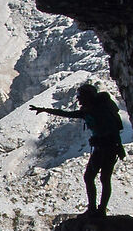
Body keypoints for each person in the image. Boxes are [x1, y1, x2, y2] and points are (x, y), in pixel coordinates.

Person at [35, 82, 127, 214]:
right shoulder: (89, 110)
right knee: (98, 178)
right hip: (104, 147)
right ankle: (97, 209)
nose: (78, 99)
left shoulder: (99, 111)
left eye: (80, 96)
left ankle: (97, 209)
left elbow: (112, 130)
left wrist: (114, 145)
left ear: (87, 97)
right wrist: (45, 110)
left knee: (97, 177)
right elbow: (66, 114)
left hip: (108, 147)